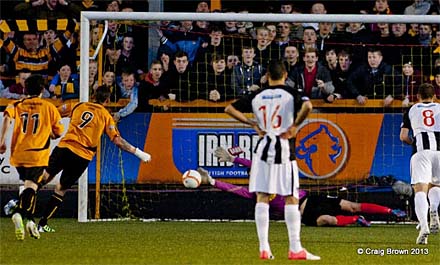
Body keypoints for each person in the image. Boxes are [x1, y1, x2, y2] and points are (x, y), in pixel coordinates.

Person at [225, 60, 319, 260]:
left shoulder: (258, 94)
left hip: (262, 149)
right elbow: (308, 106)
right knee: (291, 197)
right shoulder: (290, 93)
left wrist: (251, 123)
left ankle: (264, 248)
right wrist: (294, 125)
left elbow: (229, 109)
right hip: (284, 149)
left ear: (267, 76)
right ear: (285, 74)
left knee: (262, 196)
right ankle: (295, 248)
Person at [37, 86, 152, 233]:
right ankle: (41, 224)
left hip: (64, 147)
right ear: (107, 100)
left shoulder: (78, 105)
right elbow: (117, 141)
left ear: (93, 95)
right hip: (81, 155)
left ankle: (21, 201)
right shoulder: (105, 115)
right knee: (60, 189)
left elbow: (55, 113)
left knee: (45, 176)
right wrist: (139, 153)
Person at [197, 147, 407, 227]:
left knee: (352, 205)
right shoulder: (255, 194)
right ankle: (356, 221)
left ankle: (390, 211)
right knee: (327, 220)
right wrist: (212, 181)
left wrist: (234, 160)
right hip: (302, 215)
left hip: (311, 199)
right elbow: (232, 189)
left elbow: (254, 164)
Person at [0, 74, 65, 240]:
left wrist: (2, 142)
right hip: (37, 154)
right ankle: (19, 214)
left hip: (19, 153)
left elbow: (7, 118)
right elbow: (57, 132)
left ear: (24, 89)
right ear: (42, 90)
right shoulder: (49, 107)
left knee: (29, 185)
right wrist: (48, 132)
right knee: (32, 187)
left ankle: (29, 220)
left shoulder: (16, 104)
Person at [400, 83, 440, 244]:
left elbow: (403, 136)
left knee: (420, 190)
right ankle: (434, 208)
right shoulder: (439, 108)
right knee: (436, 186)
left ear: (417, 97)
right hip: (439, 152)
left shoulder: (411, 110)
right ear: (435, 97)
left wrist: (413, 142)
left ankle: (424, 226)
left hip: (421, 153)